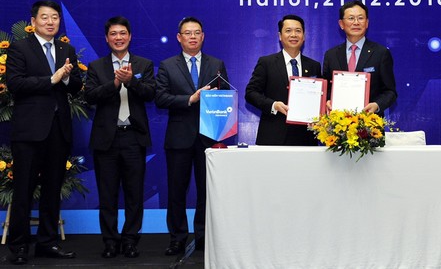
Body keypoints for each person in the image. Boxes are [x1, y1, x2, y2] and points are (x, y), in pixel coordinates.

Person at [5, 0, 82, 264]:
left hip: (58, 130)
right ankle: (18, 246)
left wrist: (67, 77)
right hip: (29, 132)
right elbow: (15, 84)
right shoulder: (20, 48)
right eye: (45, 17)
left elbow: (75, 86)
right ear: (33, 21)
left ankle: (47, 243)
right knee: (24, 190)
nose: (51, 22)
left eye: (55, 17)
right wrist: (51, 79)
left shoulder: (66, 49)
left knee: (52, 189)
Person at [155, 17, 229, 255]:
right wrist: (190, 99)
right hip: (179, 137)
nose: (193, 37)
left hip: (209, 138)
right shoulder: (167, 65)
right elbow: (160, 98)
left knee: (207, 191)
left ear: (203, 36)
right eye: (188, 33)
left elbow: (226, 97)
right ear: (179, 37)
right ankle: (177, 238)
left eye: (197, 32)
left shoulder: (216, 64)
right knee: (176, 191)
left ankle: (203, 237)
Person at [85, 16, 155, 259]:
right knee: (108, 194)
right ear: (107, 38)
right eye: (113, 34)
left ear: (130, 36)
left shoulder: (144, 64)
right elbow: (90, 96)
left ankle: (130, 240)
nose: (118, 37)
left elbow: (151, 94)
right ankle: (110, 241)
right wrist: (115, 83)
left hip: (134, 138)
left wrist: (131, 82)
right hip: (107, 139)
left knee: (135, 194)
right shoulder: (96, 66)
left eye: (122, 33)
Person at [245, 14, 321, 145]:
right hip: (273, 136)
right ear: (280, 36)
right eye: (288, 31)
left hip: (306, 137)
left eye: (298, 31)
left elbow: (320, 98)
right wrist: (273, 105)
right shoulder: (266, 62)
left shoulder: (314, 66)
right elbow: (251, 93)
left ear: (304, 36)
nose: (293, 35)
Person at [322, 0, 397, 115]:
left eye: (360, 18)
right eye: (351, 18)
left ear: (367, 23)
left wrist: (376, 105)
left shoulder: (381, 53)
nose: (356, 22)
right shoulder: (331, 55)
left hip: (370, 122)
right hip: (337, 122)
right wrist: (327, 101)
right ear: (341, 24)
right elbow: (326, 89)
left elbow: (390, 92)